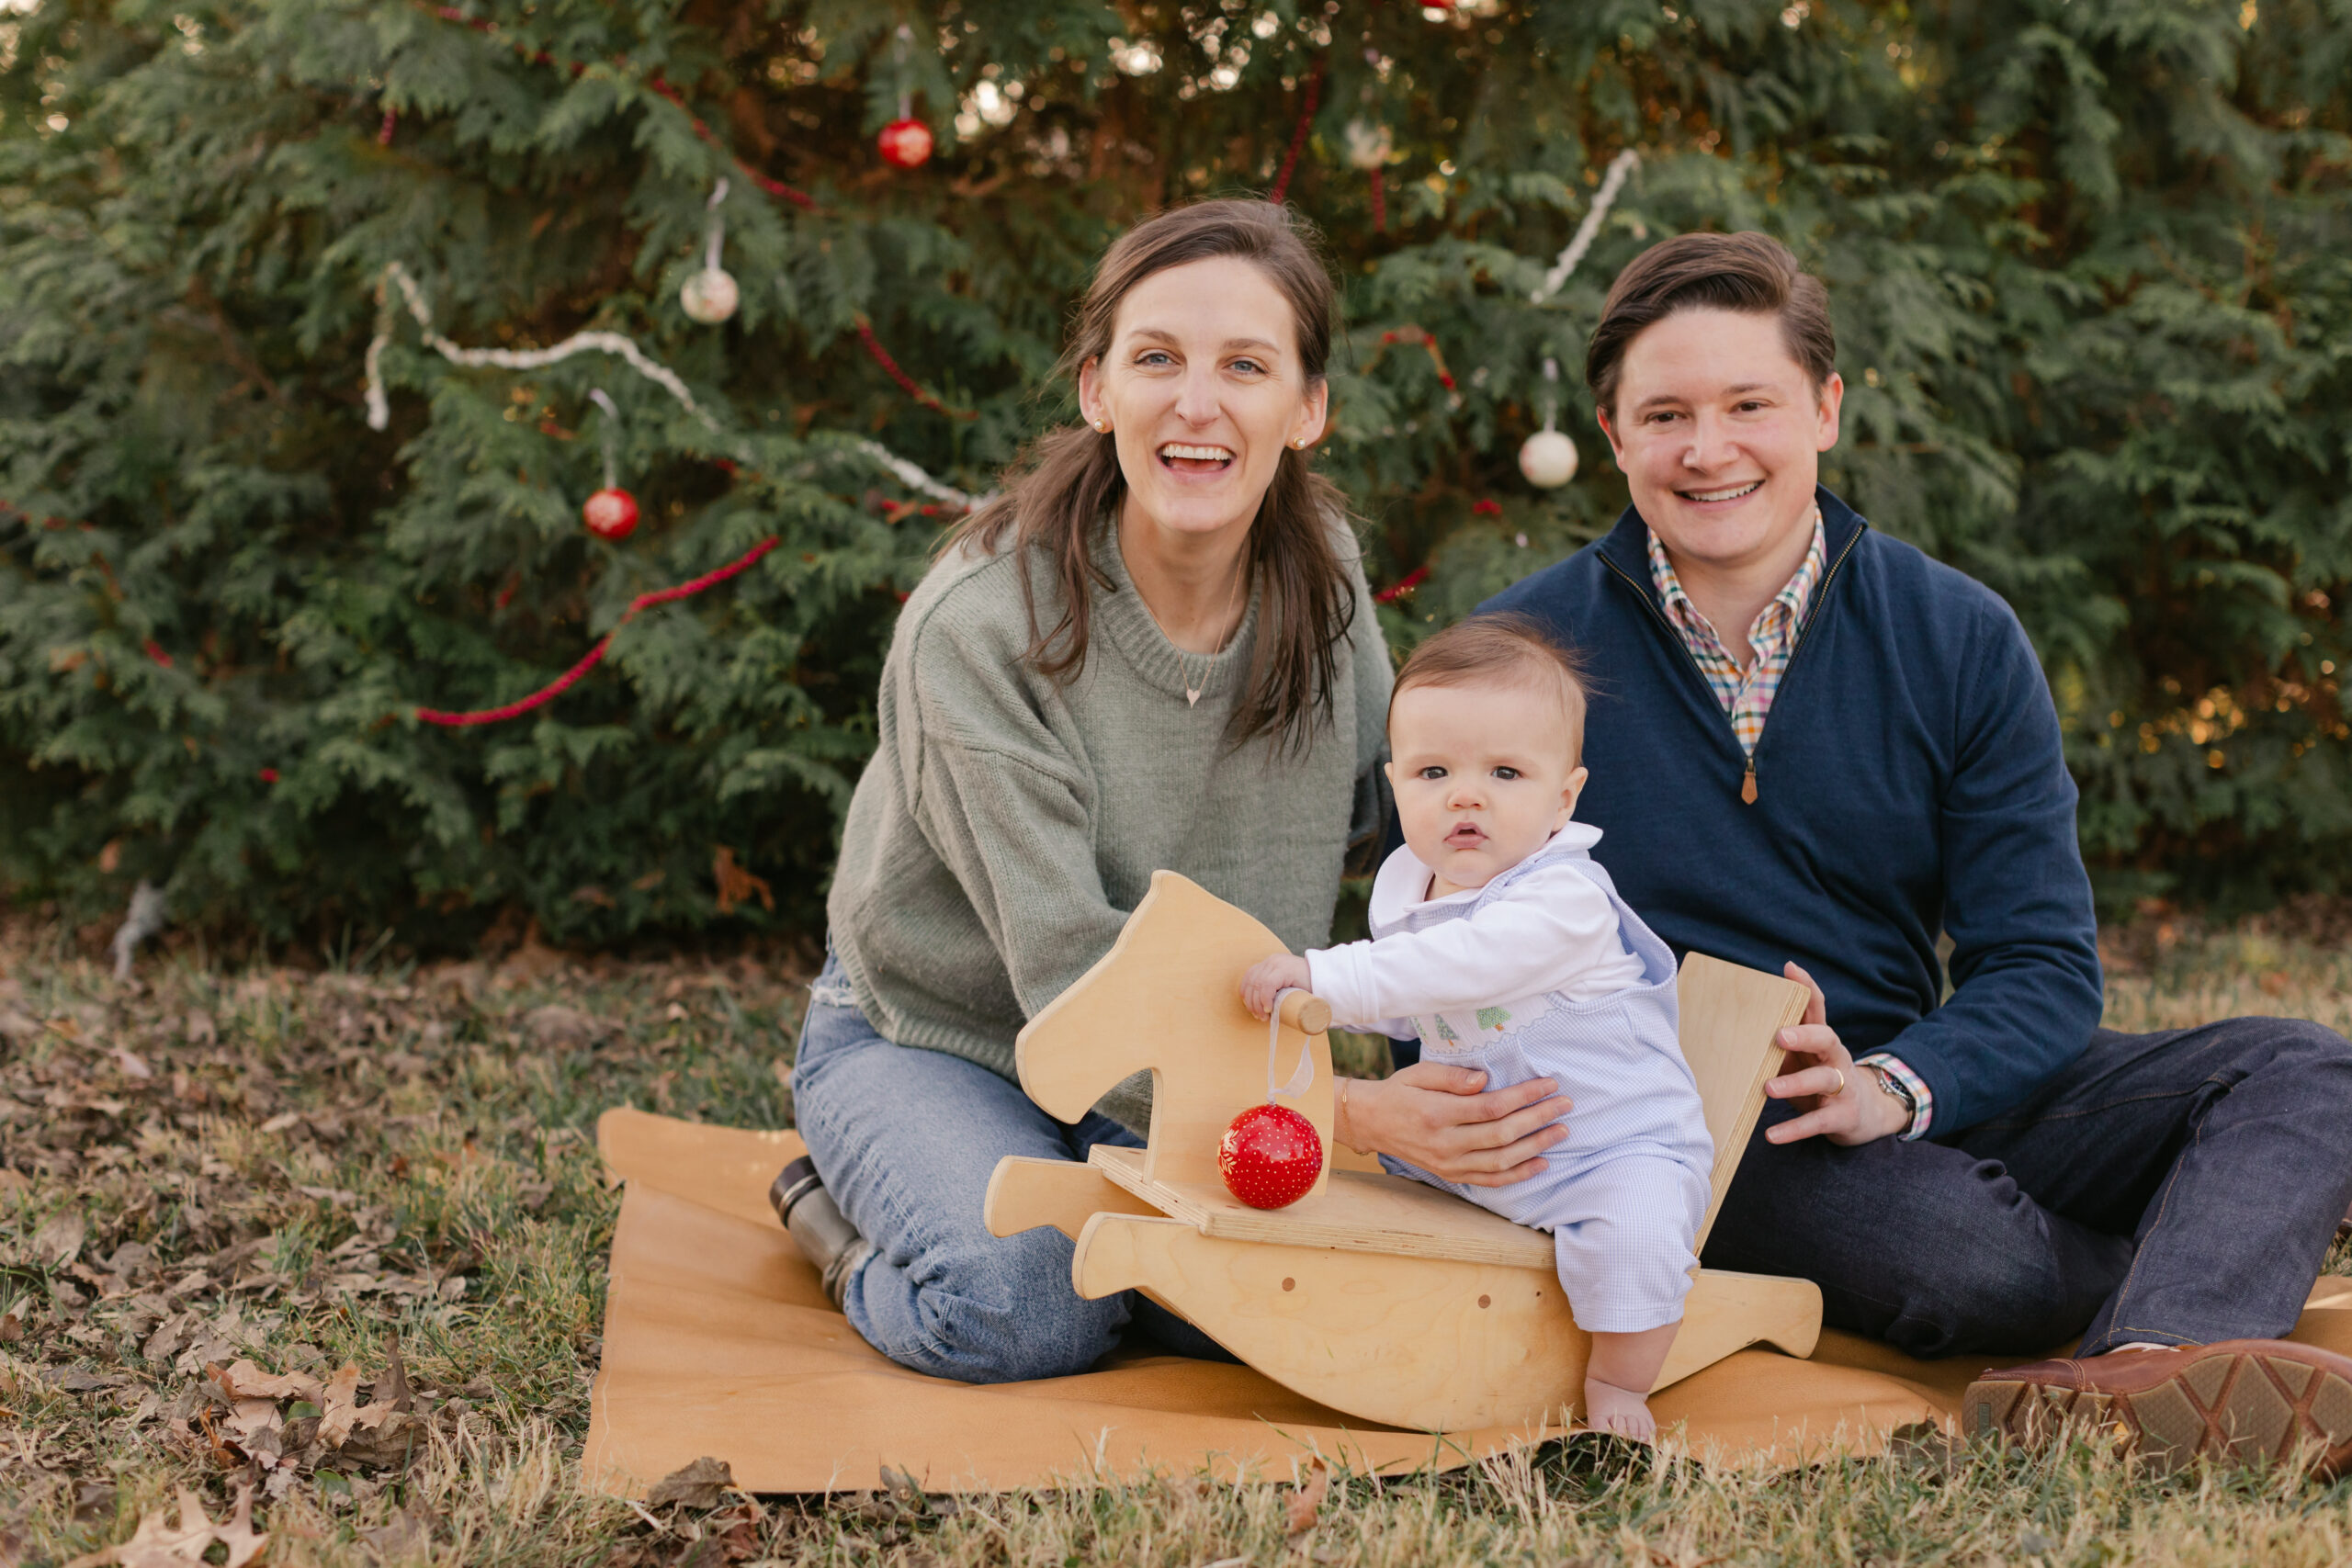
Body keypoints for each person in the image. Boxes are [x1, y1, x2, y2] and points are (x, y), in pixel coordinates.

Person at [1465, 228, 2352, 1471]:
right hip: (1696, 1127)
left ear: (1825, 408)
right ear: (1614, 436)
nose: (1709, 448)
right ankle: (2210, 1260)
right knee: (1965, 1255)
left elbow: (2040, 965)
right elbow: (1451, 959)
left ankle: (2151, 1355)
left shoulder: (1958, 635)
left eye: (1749, 404)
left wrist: (1894, 1082)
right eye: (1665, 413)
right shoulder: (1518, 658)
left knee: (2305, 1070)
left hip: (1913, 1080)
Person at [771, 199, 1573, 1384]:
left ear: (1306, 410)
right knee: (1030, 1309)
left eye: (1244, 366)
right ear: (1097, 390)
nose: (1196, 404)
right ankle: (831, 1225)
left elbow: (1392, 824)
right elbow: (1066, 981)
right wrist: (1341, 1119)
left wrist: (1535, 954)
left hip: (1200, 1056)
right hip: (946, 1035)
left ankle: (1137, 1234)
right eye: (1156, 359)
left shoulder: (1324, 580)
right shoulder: (981, 625)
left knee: (1269, 1315)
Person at [1240, 615, 1712, 1440]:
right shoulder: (1414, 885)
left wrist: (1325, 974)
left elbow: (1458, 967)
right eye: (1434, 770)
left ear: (1564, 796)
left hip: (1613, 1146)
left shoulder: (1561, 900)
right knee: (1386, 1205)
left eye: (1504, 771)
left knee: (1638, 1229)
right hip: (1484, 1154)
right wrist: (1319, 998)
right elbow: (1415, 999)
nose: (1465, 794)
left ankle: (1619, 1381)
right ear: (1397, 786)